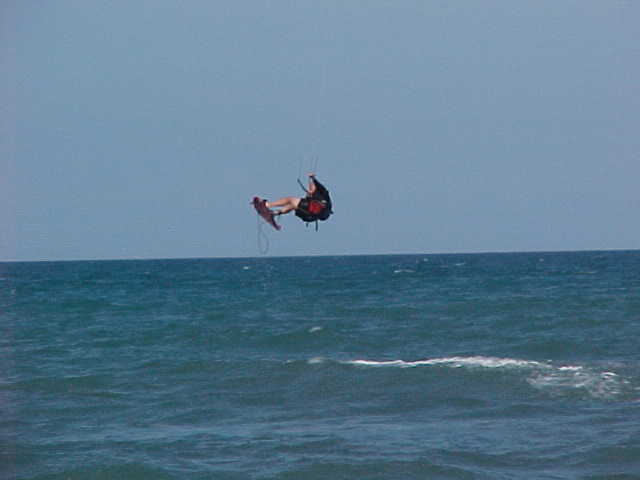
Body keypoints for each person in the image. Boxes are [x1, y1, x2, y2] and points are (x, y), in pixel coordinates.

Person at [265, 173, 332, 223]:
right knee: (293, 206)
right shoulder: (314, 197)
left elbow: (321, 187)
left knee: (290, 199)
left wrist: (313, 179)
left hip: (309, 213)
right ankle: (274, 213)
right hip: (308, 215)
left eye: (311, 187)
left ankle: (268, 205)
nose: (309, 189)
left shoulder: (322, 195)